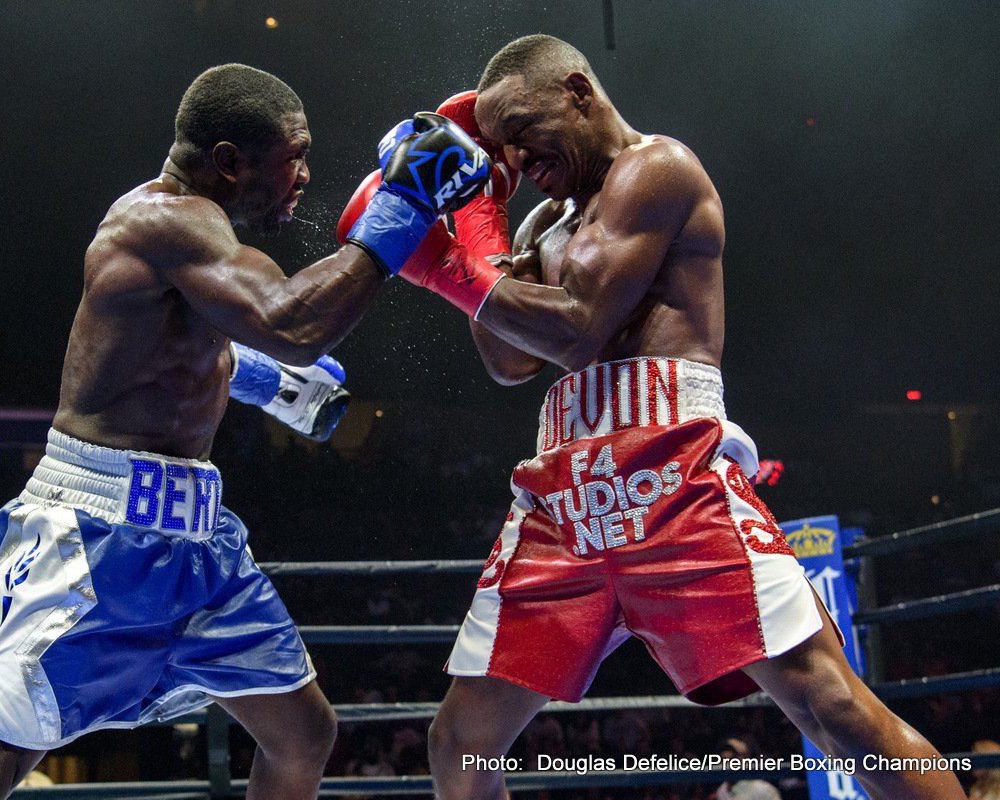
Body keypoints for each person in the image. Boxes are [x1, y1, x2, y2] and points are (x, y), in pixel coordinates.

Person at [340, 35, 966, 799]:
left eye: (523, 130)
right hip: (564, 496)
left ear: (576, 90)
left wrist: (434, 263)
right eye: (499, 145)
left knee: (828, 706)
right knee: (461, 740)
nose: (514, 154)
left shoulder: (657, 170)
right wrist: (480, 222)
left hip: (672, 474)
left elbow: (575, 326)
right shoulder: (541, 225)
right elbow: (507, 361)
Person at [0, 63, 489, 800]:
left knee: (302, 735)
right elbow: (292, 323)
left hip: (198, 543)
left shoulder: (188, 238)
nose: (305, 175)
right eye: (293, 156)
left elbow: (161, 346)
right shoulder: (166, 222)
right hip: (96, 539)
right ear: (229, 161)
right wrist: (403, 206)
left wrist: (266, 384)